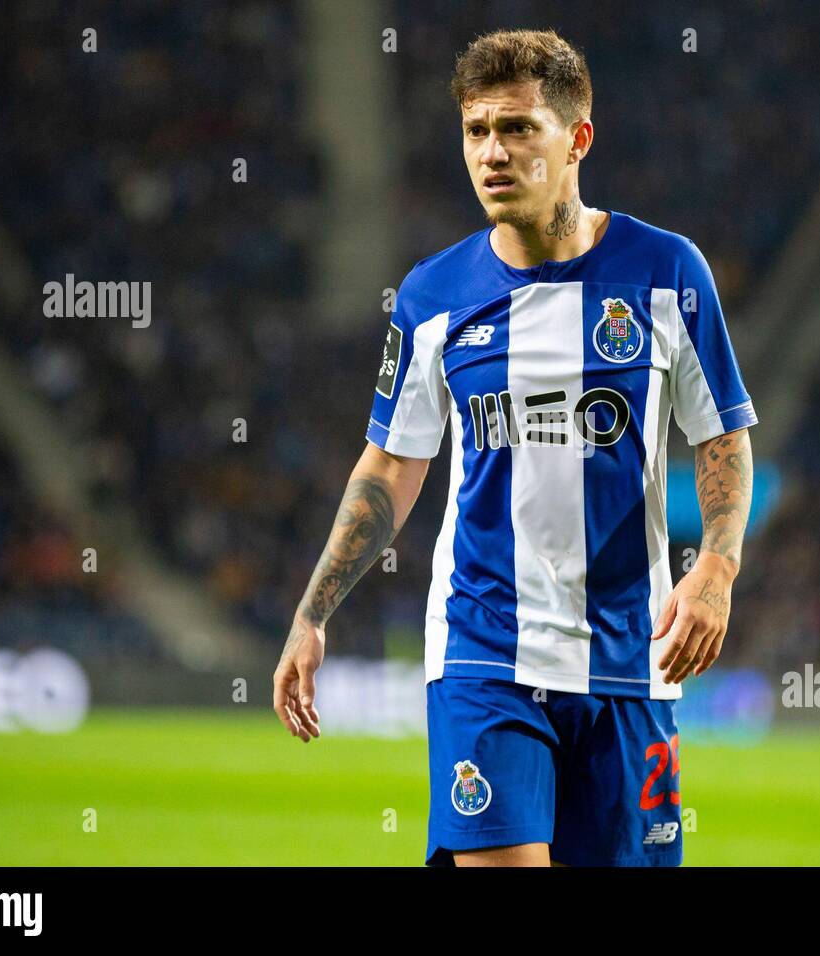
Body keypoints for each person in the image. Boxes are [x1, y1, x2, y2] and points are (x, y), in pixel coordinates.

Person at [274, 28, 755, 867]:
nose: (491, 152)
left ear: (577, 139)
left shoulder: (668, 272)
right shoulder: (432, 296)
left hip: (628, 663)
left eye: (518, 129)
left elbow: (721, 436)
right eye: (475, 131)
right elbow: (389, 465)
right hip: (483, 652)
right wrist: (313, 613)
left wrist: (715, 568)